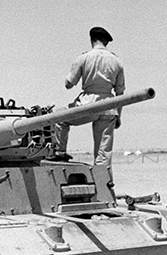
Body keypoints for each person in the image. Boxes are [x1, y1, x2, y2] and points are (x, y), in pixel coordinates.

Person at [52, 26, 125, 166]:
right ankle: (104, 183)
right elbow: (120, 94)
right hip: (109, 107)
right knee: (103, 154)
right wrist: (118, 116)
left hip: (87, 104)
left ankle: (59, 154)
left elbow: (68, 84)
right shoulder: (117, 61)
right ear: (106, 42)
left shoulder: (84, 58)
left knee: (57, 118)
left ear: (91, 40)